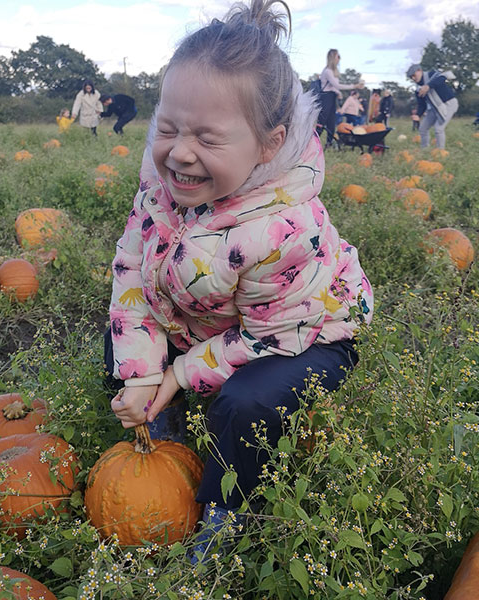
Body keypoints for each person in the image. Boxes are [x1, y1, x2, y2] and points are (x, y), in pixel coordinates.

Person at [106, 0, 373, 560]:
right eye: (169, 128)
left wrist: (178, 371)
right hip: (211, 319)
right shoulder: (159, 190)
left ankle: (228, 504)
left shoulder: (283, 230)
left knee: (247, 402)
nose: (179, 153)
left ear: (270, 144)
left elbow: (270, 335)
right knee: (119, 346)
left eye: (207, 138)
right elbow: (131, 272)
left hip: (302, 331)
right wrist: (141, 372)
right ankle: (165, 426)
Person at [318, 49, 364, 148]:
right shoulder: (327, 71)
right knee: (321, 122)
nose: (339, 59)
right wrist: (354, 86)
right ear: (333, 58)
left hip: (331, 97)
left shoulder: (333, 72)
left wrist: (338, 93)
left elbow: (333, 87)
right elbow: (336, 85)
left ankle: (329, 143)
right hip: (325, 98)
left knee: (331, 122)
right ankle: (313, 143)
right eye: (338, 56)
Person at [407, 63, 458, 149]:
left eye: (414, 75)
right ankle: (425, 149)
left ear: (419, 71)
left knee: (438, 129)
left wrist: (428, 86)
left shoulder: (432, 74)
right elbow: (422, 105)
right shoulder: (418, 89)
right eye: (411, 77)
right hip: (434, 108)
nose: (413, 78)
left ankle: (440, 153)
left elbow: (442, 78)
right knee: (422, 128)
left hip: (449, 103)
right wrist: (418, 115)